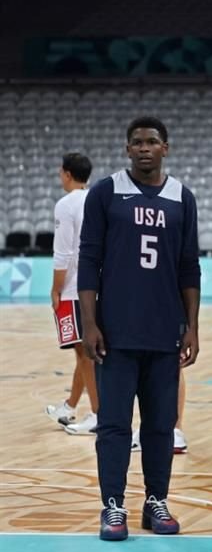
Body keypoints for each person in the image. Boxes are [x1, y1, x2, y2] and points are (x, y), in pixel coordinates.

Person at [78, 116, 200, 541]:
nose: (144, 148)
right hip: (115, 332)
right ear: (127, 149)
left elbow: (189, 267)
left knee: (160, 425)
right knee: (114, 425)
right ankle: (112, 505)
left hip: (165, 331)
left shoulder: (182, 197)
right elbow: (88, 261)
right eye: (137, 142)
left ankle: (156, 502)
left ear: (166, 147)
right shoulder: (106, 193)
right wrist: (89, 323)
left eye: (152, 141)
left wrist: (192, 328)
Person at [46, 152, 99, 435]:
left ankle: (97, 415)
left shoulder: (65, 205)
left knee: (84, 354)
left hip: (74, 289)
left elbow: (63, 252)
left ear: (67, 174)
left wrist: (55, 289)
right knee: (85, 351)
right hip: (96, 287)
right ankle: (70, 405)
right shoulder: (95, 199)